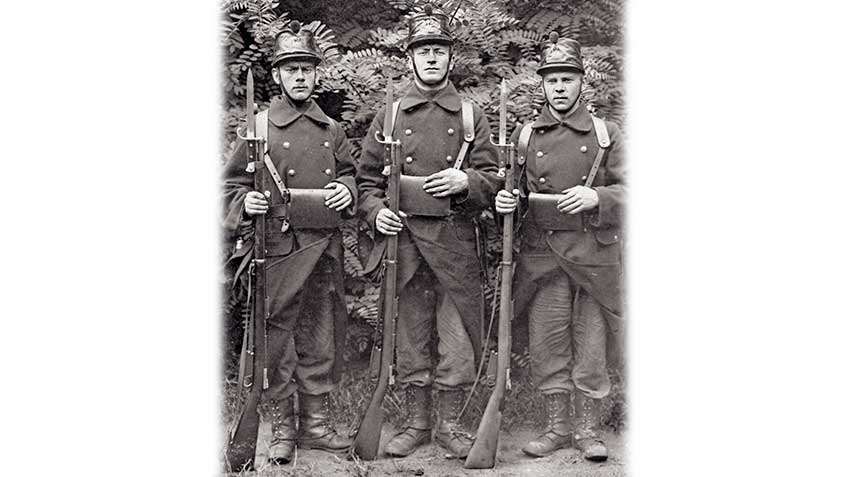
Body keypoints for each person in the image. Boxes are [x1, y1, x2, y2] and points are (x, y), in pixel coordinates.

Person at [355, 5, 501, 459]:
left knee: (457, 339)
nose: (431, 58)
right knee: (411, 338)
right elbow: (364, 181)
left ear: (450, 58)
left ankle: (451, 425)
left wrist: (468, 183)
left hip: (456, 245)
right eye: (423, 51)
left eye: (438, 50)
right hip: (406, 246)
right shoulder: (392, 115)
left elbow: (495, 180)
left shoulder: (472, 115)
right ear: (411, 59)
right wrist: (376, 212)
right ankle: (416, 423)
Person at [222, 20, 356, 465]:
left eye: (306, 68)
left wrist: (348, 192)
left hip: (321, 248)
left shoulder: (332, 130)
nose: (299, 76)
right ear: (277, 76)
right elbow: (227, 187)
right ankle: (283, 427)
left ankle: (315, 425)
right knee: (277, 339)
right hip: (277, 250)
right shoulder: (259, 127)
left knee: (320, 334)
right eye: (290, 68)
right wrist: (249, 201)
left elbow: (354, 175)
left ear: (318, 74)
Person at [494, 33, 625, 462]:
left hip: (593, 258)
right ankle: (556, 428)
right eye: (553, 80)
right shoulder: (527, 135)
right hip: (542, 257)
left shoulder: (606, 133)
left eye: (568, 79)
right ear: (543, 85)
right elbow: (510, 191)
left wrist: (599, 199)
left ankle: (588, 430)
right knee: (548, 342)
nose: (560, 87)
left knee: (590, 344)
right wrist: (505, 201)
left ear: (581, 83)